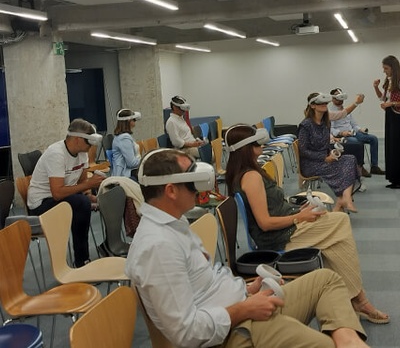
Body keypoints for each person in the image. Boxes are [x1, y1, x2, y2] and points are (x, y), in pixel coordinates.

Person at [126, 148, 371, 348]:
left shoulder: (174, 224)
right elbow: (186, 332)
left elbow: (199, 287)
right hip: (234, 333)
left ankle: (348, 340)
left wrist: (244, 288)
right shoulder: (158, 247)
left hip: (242, 306)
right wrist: (243, 309)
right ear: (170, 191)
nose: (200, 192)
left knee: (326, 280)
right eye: (192, 184)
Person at [224, 124, 389, 326]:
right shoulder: (251, 177)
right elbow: (265, 223)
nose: (261, 145)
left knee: (335, 239)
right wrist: (298, 218)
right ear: (247, 148)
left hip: (286, 226)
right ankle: (358, 300)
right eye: (256, 143)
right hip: (280, 235)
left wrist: (297, 212)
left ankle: (355, 300)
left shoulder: (248, 172)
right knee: (340, 223)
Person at [28, 118, 105, 267]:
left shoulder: (82, 153)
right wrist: (87, 186)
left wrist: (90, 194)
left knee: (100, 197)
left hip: (64, 198)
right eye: (88, 142)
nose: (91, 147)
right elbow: (57, 193)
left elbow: (82, 184)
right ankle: (81, 261)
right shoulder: (56, 154)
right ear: (77, 139)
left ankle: (109, 245)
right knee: (81, 204)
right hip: (41, 204)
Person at [330, 88, 385, 177]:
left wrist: (360, 129)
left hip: (353, 133)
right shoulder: (330, 112)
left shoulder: (347, 109)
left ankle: (374, 166)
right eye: (337, 97)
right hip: (343, 136)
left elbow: (354, 124)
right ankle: (360, 166)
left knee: (373, 139)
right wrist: (342, 133)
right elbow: (331, 129)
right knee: (357, 143)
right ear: (332, 99)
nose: (340, 99)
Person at [373, 55, 400, 188]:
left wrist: (391, 104)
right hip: (390, 115)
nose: (384, 70)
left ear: (393, 68)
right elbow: (383, 98)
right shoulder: (389, 81)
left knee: (397, 147)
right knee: (391, 146)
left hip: (397, 116)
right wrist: (376, 87)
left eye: (386, 68)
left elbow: (393, 102)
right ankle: (394, 178)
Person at [112, 108, 142, 180]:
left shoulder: (123, 136)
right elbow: (131, 163)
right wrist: (145, 160)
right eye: (134, 120)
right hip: (126, 175)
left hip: (130, 172)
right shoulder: (124, 138)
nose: (135, 122)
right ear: (128, 121)